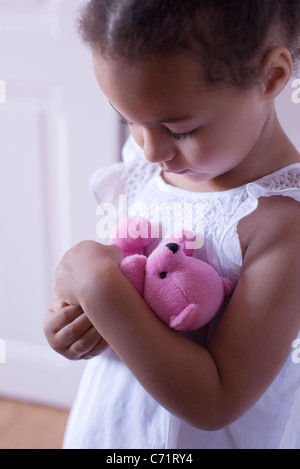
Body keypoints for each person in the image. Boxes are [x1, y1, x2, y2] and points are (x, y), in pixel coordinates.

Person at [44, 0, 300, 449]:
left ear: (271, 77)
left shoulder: (283, 223)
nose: (148, 150)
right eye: (128, 120)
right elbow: (130, 295)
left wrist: (100, 287)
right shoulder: (146, 171)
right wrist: (77, 319)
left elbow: (217, 400)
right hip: (112, 426)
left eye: (179, 130)